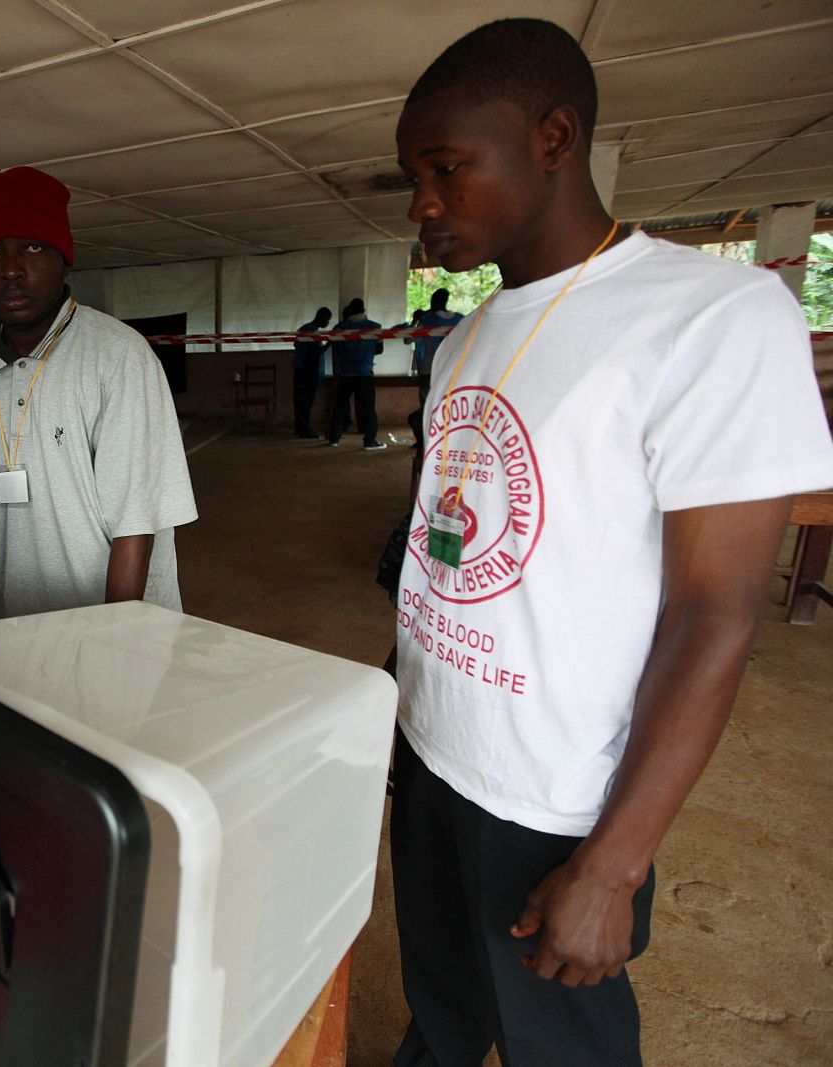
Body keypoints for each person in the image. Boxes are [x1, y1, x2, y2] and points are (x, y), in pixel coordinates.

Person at [391, 19, 833, 1067]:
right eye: (413, 176)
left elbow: (714, 610)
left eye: (446, 168)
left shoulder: (712, 316)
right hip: (433, 750)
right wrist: (397, 708)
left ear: (551, 139)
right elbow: (441, 552)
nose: (422, 205)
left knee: (561, 1040)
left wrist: (615, 861)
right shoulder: (465, 334)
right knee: (442, 1004)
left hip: (554, 800)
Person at [0, 166, 198, 626]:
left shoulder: (117, 356)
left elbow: (134, 527)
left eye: (32, 247)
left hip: (127, 626)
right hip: (24, 625)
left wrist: (116, 638)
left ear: (65, 260)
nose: (10, 269)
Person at [327, 297, 386, 449]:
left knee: (340, 407)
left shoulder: (339, 328)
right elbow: (379, 350)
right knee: (369, 409)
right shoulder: (375, 327)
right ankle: (369, 440)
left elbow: (337, 350)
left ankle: (334, 438)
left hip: (346, 373)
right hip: (365, 372)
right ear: (364, 310)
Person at [410, 287, 463, 404]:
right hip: (453, 367)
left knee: (428, 405)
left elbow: (408, 339)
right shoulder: (460, 319)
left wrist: (415, 321)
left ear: (433, 302)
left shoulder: (427, 321)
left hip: (428, 368)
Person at [291, 305, 331, 438]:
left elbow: (296, 344)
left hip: (299, 369)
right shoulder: (313, 332)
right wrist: (329, 344)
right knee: (306, 401)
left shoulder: (304, 328)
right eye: (327, 320)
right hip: (307, 371)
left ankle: (300, 428)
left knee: (300, 401)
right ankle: (304, 429)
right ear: (322, 318)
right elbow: (314, 353)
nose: (328, 323)